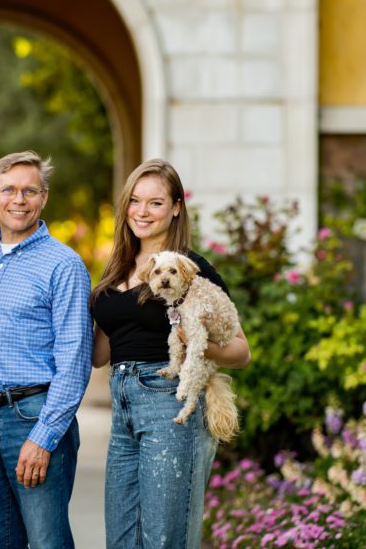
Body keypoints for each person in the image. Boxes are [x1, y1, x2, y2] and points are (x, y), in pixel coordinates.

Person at [91, 159, 251, 549]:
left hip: (170, 400)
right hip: (123, 402)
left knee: (165, 540)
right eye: (135, 201)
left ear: (176, 207)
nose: (142, 212)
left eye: (155, 203)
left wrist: (197, 343)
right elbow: (99, 355)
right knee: (122, 540)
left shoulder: (189, 270)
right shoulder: (117, 269)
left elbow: (241, 351)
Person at [0, 150, 93, 549]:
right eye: (9, 190)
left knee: (46, 541)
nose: (18, 200)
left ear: (44, 198)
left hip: (33, 417)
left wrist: (44, 436)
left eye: (29, 191)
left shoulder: (64, 265)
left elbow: (75, 359)